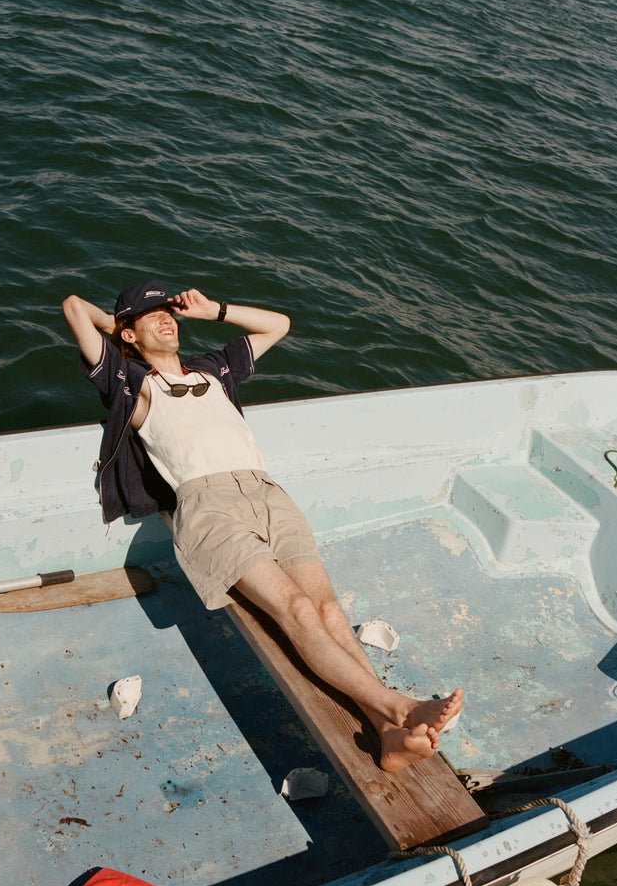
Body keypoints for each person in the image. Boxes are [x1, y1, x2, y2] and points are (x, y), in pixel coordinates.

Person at [62, 281, 463, 772]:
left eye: (169, 310)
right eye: (153, 315)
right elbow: (74, 307)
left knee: (328, 609)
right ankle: (398, 707)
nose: (167, 317)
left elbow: (279, 325)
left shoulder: (212, 369)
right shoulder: (133, 382)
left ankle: (388, 734)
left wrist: (214, 310)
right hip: (209, 508)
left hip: (267, 493)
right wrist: (123, 327)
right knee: (297, 608)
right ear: (128, 335)